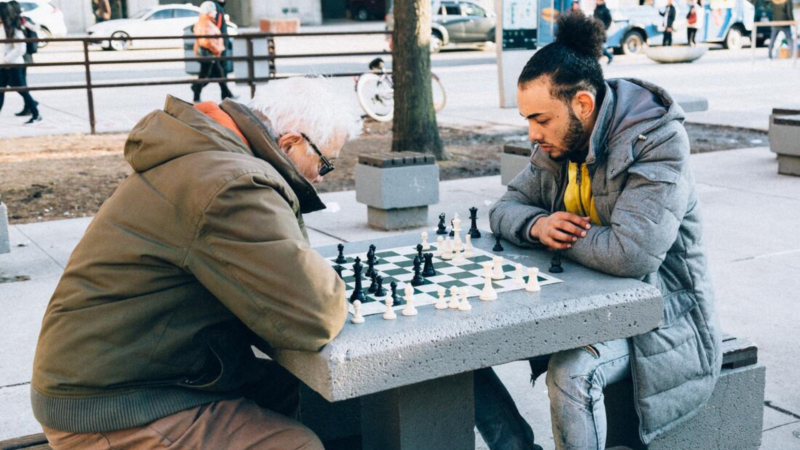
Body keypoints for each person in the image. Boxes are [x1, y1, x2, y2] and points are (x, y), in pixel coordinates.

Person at [31, 76, 363, 450]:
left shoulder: (204, 154)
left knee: (286, 387)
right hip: (113, 408)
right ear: (290, 142)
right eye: (325, 163)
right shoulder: (232, 183)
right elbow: (314, 315)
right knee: (296, 445)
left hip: (114, 378)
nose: (320, 177)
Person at [475, 13, 721, 450]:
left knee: (571, 372)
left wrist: (561, 238)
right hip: (586, 301)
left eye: (540, 119)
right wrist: (538, 224)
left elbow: (632, 255)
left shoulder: (657, 140)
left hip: (662, 316)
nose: (532, 134)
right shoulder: (559, 142)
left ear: (583, 106)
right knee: (464, 346)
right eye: (527, 120)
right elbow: (503, 209)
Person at [0, 2, 41, 123]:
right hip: (3, 65)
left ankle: (36, 114)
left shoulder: (14, 27)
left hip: (13, 64)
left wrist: (5, 60)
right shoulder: (3, 26)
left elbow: (21, 48)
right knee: (1, 91)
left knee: (21, 90)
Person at [191, 1, 233, 103]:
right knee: (207, 74)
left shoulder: (208, 20)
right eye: (213, 12)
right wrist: (217, 50)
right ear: (209, 12)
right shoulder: (207, 22)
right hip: (209, 53)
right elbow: (208, 41)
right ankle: (196, 90)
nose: (215, 13)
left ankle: (226, 93)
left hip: (210, 53)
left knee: (217, 73)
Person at [9, 0, 39, 117]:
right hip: (19, 56)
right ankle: (29, 105)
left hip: (23, 56)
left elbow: (36, 28)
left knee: (20, 84)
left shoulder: (22, 19)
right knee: (20, 84)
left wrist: (25, 24)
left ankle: (30, 105)